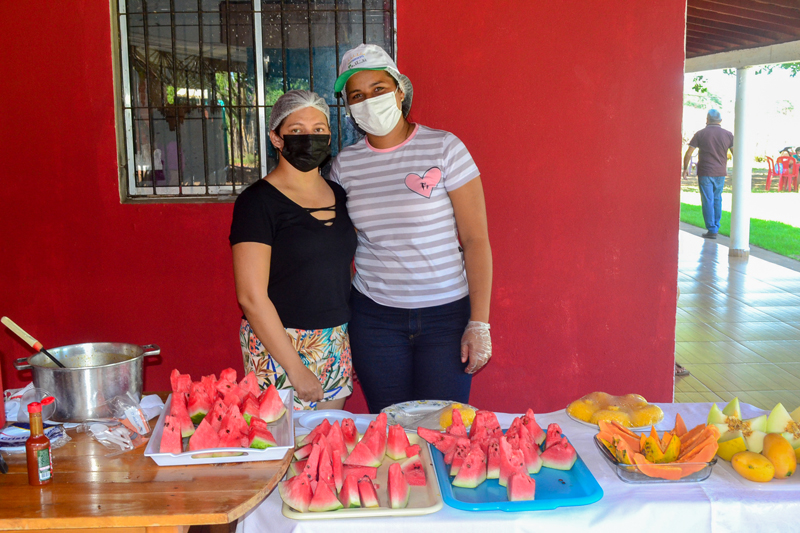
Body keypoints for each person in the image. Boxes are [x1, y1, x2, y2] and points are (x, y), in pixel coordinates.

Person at [330, 44, 493, 414]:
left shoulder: (444, 148)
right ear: (349, 108)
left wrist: (479, 322)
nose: (368, 101)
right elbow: (342, 248)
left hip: (445, 317)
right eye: (356, 95)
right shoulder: (345, 166)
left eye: (378, 89)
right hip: (374, 320)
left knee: (442, 432)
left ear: (400, 91)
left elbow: (475, 240)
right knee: (390, 433)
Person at [229, 90, 357, 410]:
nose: (309, 138)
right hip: (279, 348)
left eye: (318, 129)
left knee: (326, 451)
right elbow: (251, 297)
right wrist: (296, 370)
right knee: (286, 453)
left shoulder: (340, 195)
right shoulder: (257, 202)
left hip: (335, 341)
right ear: (276, 137)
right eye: (297, 130)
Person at [682, 109, 733, 239]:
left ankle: (712, 229)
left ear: (707, 120)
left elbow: (688, 153)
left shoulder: (700, 134)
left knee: (707, 200)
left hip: (705, 172)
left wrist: (685, 168)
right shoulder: (728, 135)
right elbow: (735, 153)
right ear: (721, 121)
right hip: (720, 172)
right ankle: (716, 225)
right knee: (717, 199)